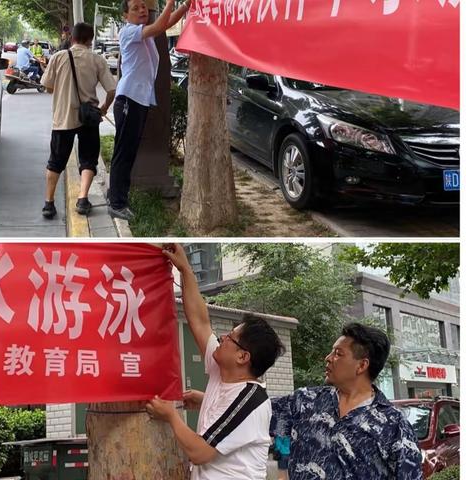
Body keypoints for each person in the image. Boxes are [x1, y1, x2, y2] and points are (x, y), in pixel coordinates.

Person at [145, 243, 285, 479]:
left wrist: (170, 414)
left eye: (230, 338)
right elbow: (200, 321)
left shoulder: (249, 400)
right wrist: (186, 270)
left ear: (242, 357)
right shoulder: (224, 371)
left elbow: (199, 452)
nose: (222, 337)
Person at [271, 323, 423, 480]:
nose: (328, 358)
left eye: (338, 353)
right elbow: (254, 412)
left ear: (362, 365)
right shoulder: (304, 401)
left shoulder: (394, 425)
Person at [107, 0, 191, 220]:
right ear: (125, 16)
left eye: (143, 6)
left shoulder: (143, 34)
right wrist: (172, 2)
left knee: (128, 151)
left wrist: (184, 7)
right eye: (135, 8)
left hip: (138, 100)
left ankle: (117, 197)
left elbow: (164, 25)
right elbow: (159, 26)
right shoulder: (129, 32)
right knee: (124, 153)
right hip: (129, 100)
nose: (142, 10)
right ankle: (117, 203)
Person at [40, 22, 116, 219]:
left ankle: (48, 204)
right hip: (89, 117)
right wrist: (104, 108)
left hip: (62, 118)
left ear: (71, 37)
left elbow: (47, 87)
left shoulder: (58, 57)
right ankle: (82, 199)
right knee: (88, 158)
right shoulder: (97, 59)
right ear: (90, 40)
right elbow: (111, 90)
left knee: (55, 161)